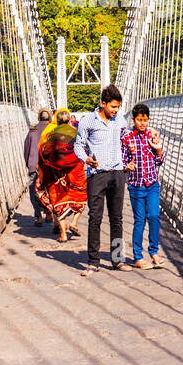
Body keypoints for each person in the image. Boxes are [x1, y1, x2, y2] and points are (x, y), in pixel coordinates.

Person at [74, 84, 127, 273]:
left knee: (117, 218)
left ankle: (118, 260)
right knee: (95, 217)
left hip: (118, 173)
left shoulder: (120, 119)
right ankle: (93, 261)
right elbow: (78, 145)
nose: (116, 110)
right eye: (113, 107)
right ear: (103, 103)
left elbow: (127, 140)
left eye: (118, 107)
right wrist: (86, 159)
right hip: (97, 175)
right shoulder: (88, 121)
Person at [121, 103, 163, 268]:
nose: (143, 123)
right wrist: (126, 166)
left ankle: (153, 252)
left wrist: (158, 149)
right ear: (133, 120)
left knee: (154, 216)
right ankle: (138, 256)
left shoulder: (152, 136)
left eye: (145, 120)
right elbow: (123, 159)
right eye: (139, 120)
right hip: (136, 185)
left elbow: (159, 160)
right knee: (140, 220)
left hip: (152, 183)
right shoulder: (127, 137)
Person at [36, 109, 87, 242]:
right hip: (75, 172)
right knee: (80, 196)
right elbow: (83, 150)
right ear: (70, 120)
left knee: (59, 200)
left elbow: (44, 152)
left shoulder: (52, 135)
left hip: (57, 174)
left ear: (57, 121)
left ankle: (63, 234)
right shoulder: (76, 133)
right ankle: (74, 222)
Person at [24, 107, 53, 225]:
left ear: (38, 117)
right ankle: (49, 214)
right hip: (49, 167)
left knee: (34, 192)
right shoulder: (53, 130)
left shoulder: (32, 130)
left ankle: (38, 217)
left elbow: (26, 149)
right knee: (49, 191)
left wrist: (29, 163)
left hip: (34, 166)